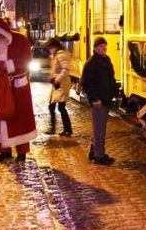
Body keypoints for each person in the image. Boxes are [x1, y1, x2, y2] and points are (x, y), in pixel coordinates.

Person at [0, 18, 37, 162]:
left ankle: (22, 151)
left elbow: (26, 59)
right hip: (0, 85)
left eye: (0, 36)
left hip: (18, 86)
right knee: (1, 115)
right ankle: (4, 150)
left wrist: (8, 66)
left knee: (20, 117)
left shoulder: (21, 40)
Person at [80, 37, 117, 165]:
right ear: (95, 48)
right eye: (102, 46)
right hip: (99, 101)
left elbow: (111, 77)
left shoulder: (106, 60)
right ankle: (99, 156)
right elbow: (86, 83)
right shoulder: (91, 63)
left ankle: (94, 150)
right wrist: (95, 99)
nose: (104, 48)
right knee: (99, 129)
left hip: (105, 99)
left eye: (105, 46)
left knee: (100, 128)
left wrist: (114, 93)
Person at [44, 37, 72, 136]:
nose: (49, 50)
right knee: (54, 106)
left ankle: (66, 130)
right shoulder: (56, 55)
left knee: (60, 107)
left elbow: (65, 69)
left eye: (49, 47)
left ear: (53, 46)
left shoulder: (60, 55)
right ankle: (64, 129)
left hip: (61, 84)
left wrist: (57, 79)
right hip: (57, 84)